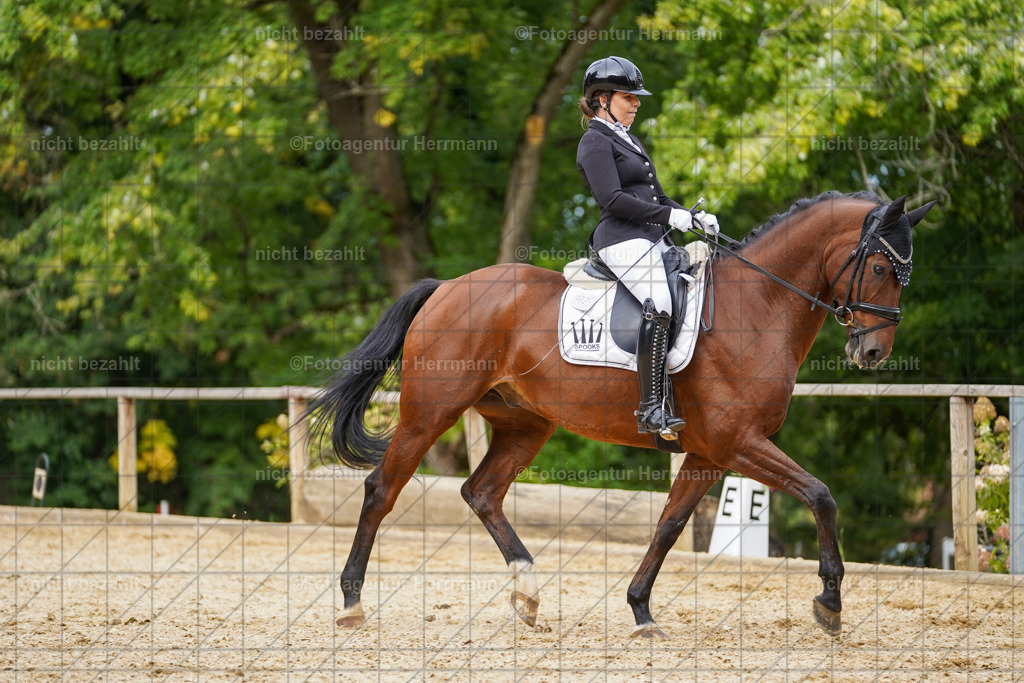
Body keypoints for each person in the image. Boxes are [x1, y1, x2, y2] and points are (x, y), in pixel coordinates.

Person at [576, 56, 719, 440]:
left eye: (637, 97)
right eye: (629, 96)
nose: (637, 103)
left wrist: (690, 215)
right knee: (662, 304)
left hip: (651, 238)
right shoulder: (594, 141)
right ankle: (651, 409)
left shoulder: (628, 138)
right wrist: (669, 218)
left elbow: (656, 195)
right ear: (602, 99)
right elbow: (614, 200)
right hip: (621, 240)